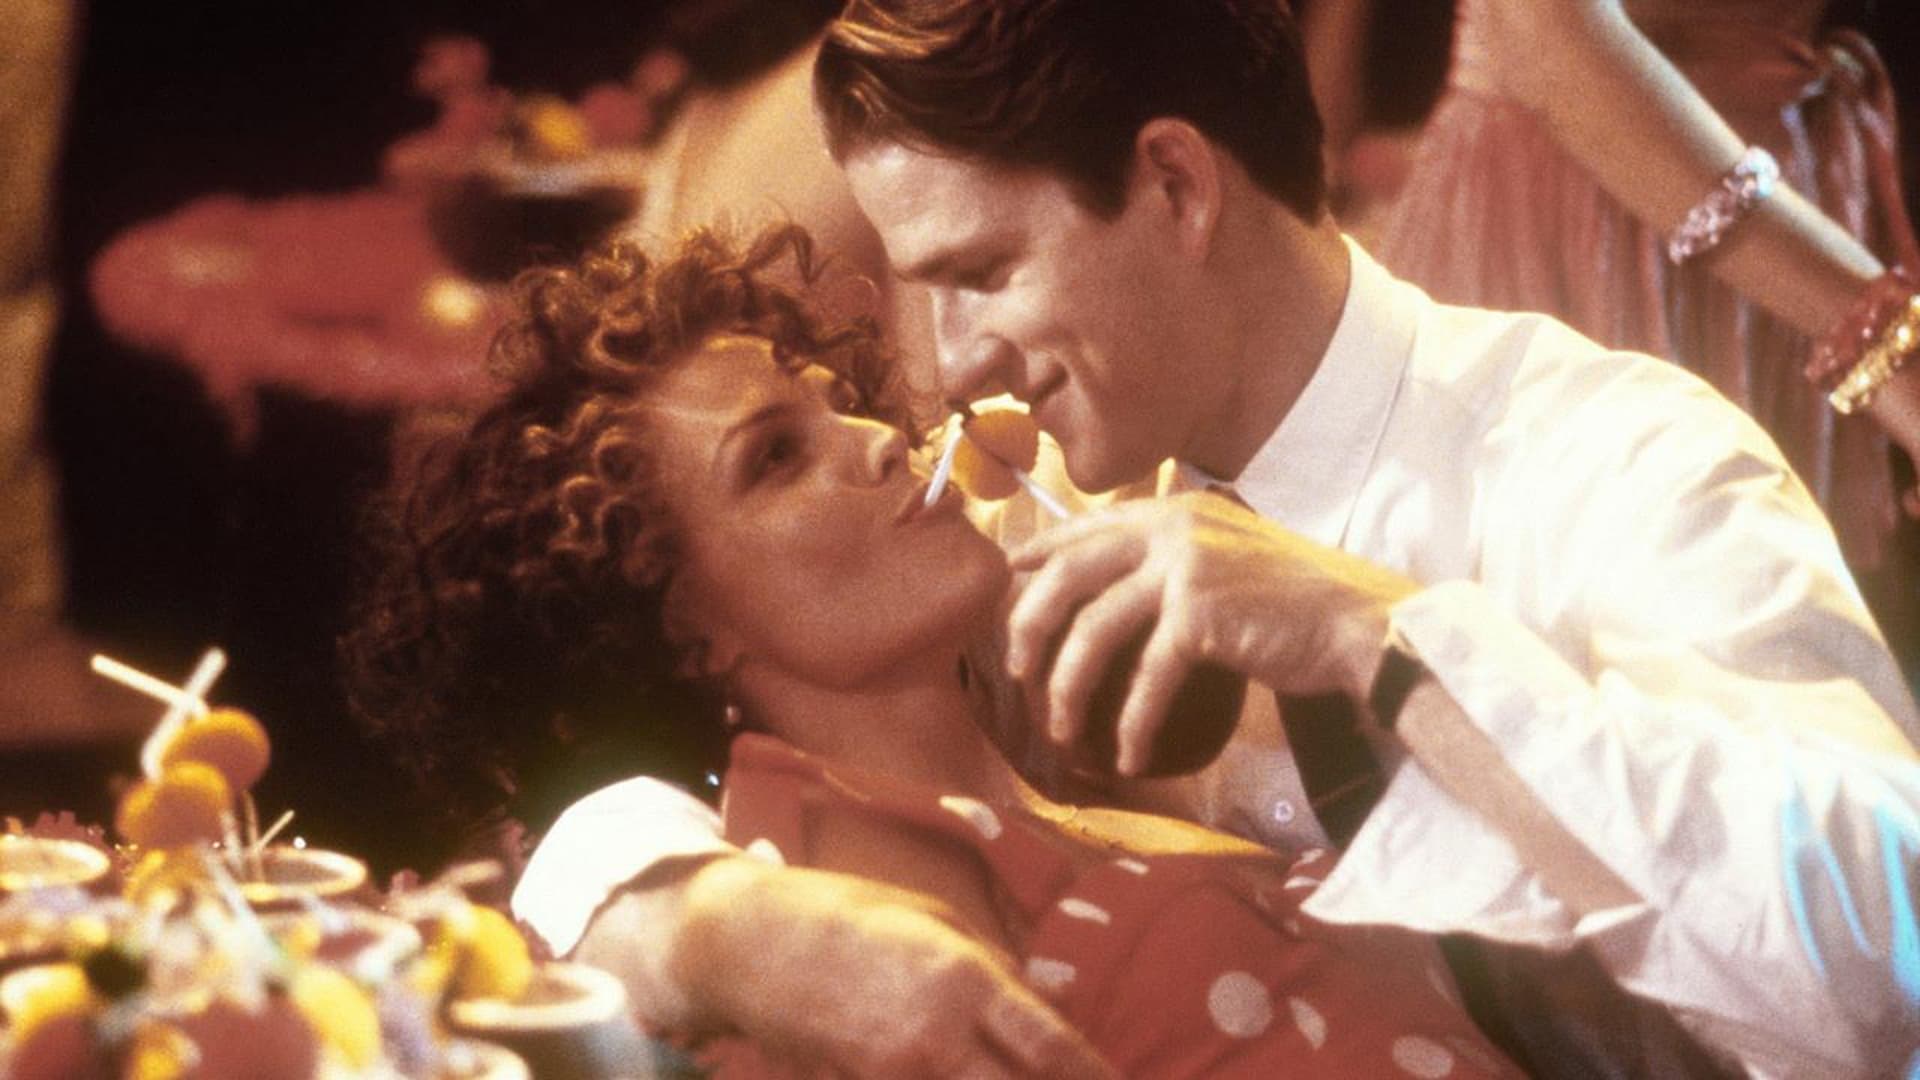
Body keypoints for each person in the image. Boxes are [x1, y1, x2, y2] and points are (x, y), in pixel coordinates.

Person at [498, 1, 1920, 1076]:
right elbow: (624, 758)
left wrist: (1375, 638)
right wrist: (703, 928)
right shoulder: (1029, 524)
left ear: (1176, 185)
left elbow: (1882, 975)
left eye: (983, 272)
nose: (955, 360)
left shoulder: (1604, 456)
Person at [347, 225, 1528, 1078]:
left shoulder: (1041, 754)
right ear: (677, 629)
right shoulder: (817, 902)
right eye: (776, 458)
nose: (873, 441)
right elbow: (609, 892)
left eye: (835, 403)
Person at [1346, 0, 1920, 661]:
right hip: (1579, 237)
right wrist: (1885, 340)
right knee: (1551, 678)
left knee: (1789, 677)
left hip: (1794, 248)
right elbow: (1546, 30)